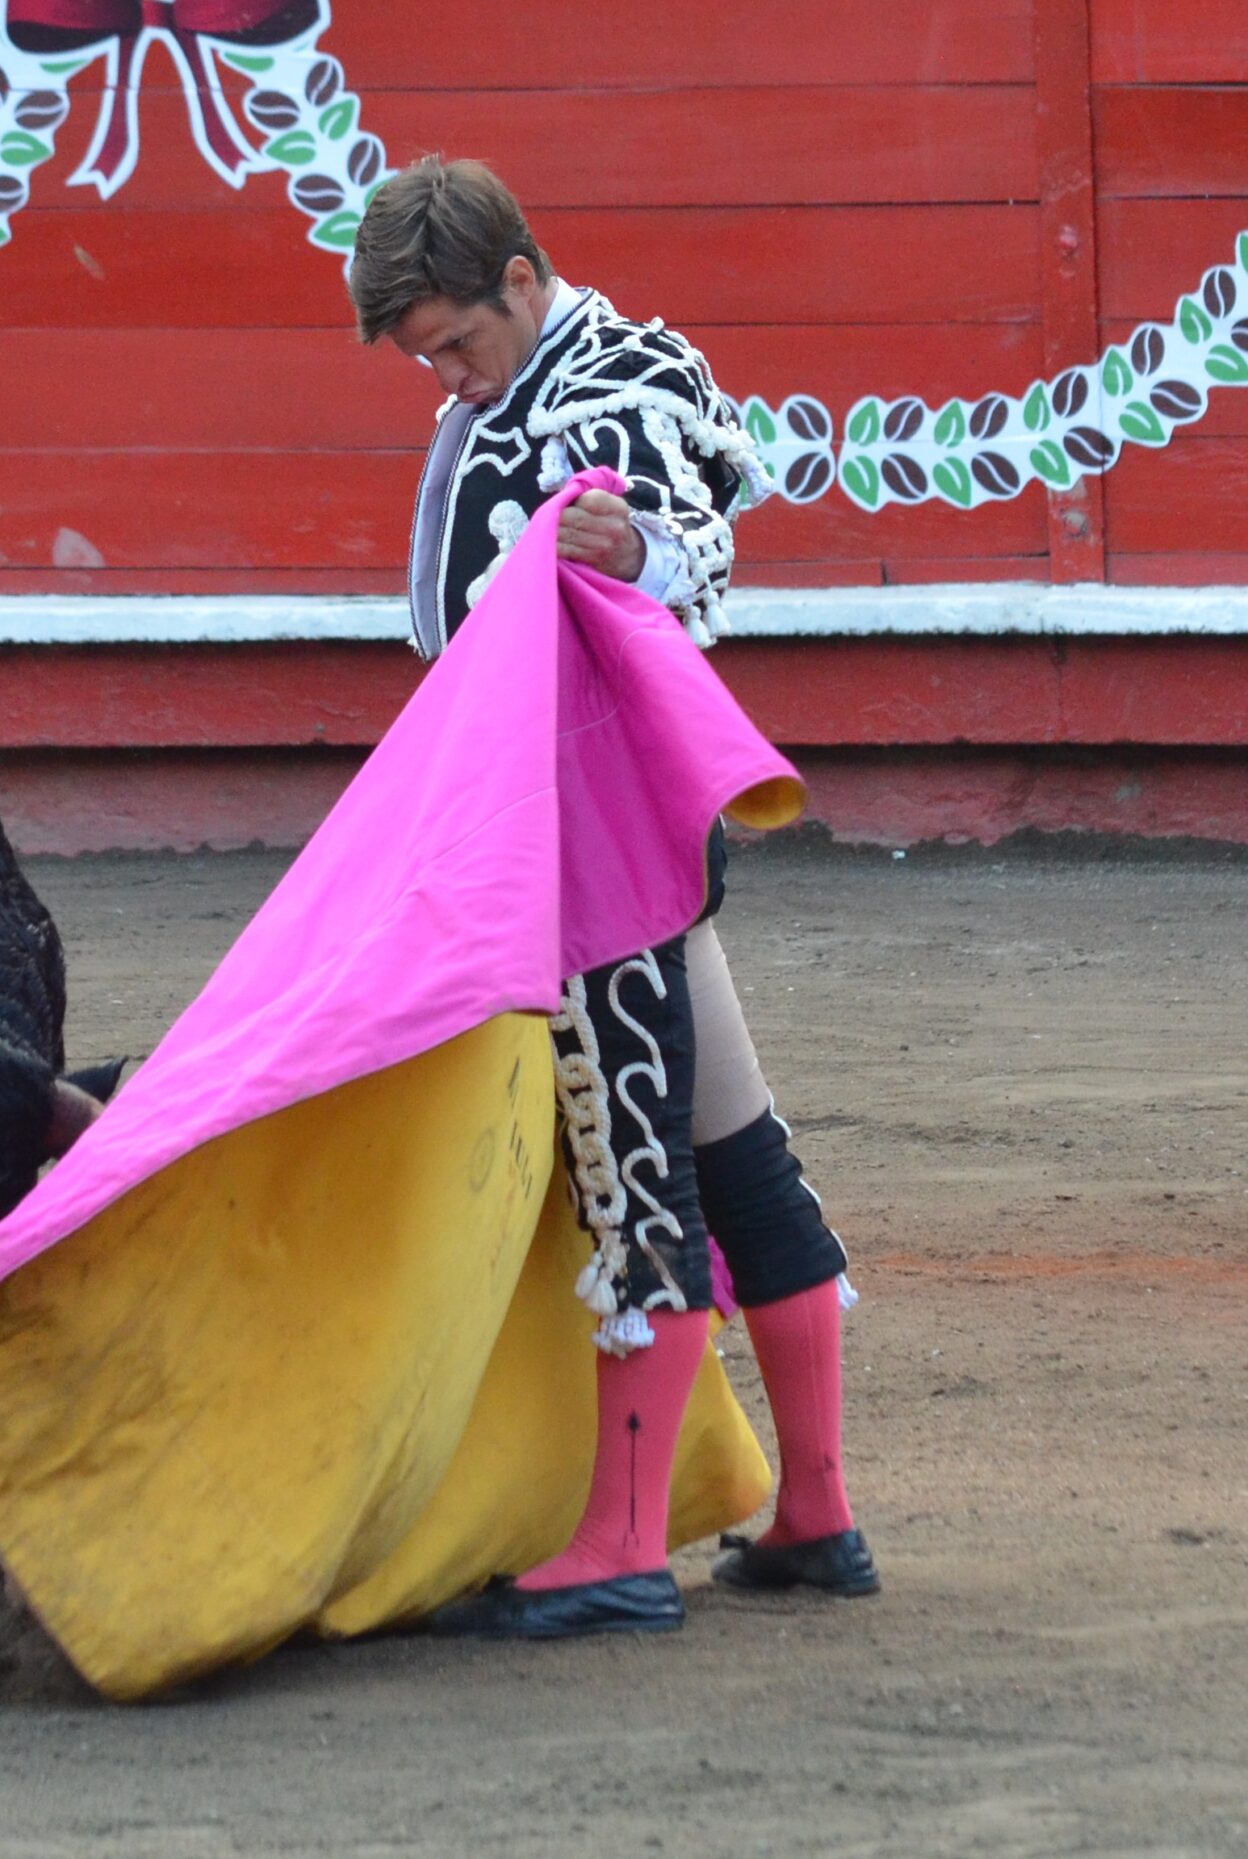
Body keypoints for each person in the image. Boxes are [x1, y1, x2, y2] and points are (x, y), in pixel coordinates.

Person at [345, 156, 878, 1638]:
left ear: (524, 279)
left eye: (458, 341)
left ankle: (625, 1542)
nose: (444, 379)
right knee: (732, 1146)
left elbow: (688, 535)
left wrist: (637, 546)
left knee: (628, 1152)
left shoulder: (615, 377)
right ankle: (817, 1508)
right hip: (586, 818)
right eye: (424, 357)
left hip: (583, 832)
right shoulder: (521, 388)